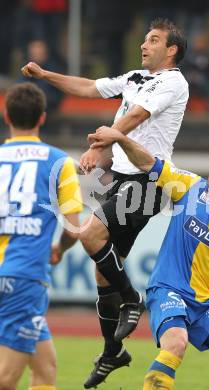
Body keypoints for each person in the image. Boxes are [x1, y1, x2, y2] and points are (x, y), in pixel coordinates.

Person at [21, 18, 189, 388]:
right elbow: (87, 86)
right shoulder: (133, 78)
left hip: (150, 180)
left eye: (154, 40)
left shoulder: (173, 81)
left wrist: (100, 145)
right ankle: (113, 351)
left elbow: (136, 116)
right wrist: (45, 75)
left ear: (171, 49)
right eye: (145, 39)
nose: (145, 45)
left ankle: (132, 299)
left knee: (89, 234)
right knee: (102, 270)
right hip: (125, 181)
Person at [92, 126, 209, 390]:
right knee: (176, 343)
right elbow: (148, 163)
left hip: (206, 300)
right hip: (167, 290)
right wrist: (121, 139)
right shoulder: (190, 185)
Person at [0, 82, 83, 390]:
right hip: (22, 277)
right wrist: (59, 248)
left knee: (45, 367)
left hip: (10, 274)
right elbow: (74, 227)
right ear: (43, 118)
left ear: (6, 115)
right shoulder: (58, 161)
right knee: (7, 378)